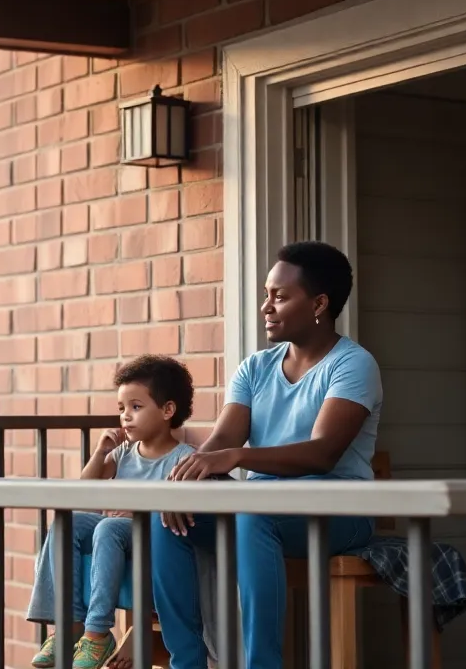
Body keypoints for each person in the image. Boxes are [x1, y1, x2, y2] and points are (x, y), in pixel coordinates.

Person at [151, 241, 382, 669]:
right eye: (265, 294)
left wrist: (238, 458)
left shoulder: (353, 364)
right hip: (260, 510)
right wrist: (183, 484)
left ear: (319, 303)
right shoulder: (255, 367)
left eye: (280, 296)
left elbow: (322, 454)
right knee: (168, 519)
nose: (266, 307)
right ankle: (187, 662)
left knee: (253, 517)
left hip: (340, 511)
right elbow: (220, 442)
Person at [27, 355, 196, 669]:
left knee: (106, 528)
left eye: (135, 407)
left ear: (167, 410)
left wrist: (137, 511)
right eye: (121, 409)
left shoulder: (184, 459)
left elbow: (183, 514)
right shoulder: (123, 453)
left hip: (151, 536)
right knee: (68, 521)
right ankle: (69, 625)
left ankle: (98, 633)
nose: (126, 417)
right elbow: (83, 494)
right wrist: (100, 452)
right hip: (116, 532)